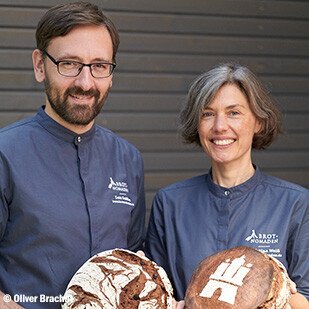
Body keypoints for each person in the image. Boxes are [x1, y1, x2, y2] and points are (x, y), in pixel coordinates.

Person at [0, 2, 146, 308]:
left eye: (99, 66)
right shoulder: (5, 155)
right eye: (69, 64)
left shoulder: (128, 160)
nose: (85, 82)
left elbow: (132, 258)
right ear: (40, 65)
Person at [145, 63, 309, 307]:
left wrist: (282, 293)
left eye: (234, 112)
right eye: (208, 113)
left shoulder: (294, 203)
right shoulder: (170, 203)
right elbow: (157, 296)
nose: (220, 126)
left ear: (258, 122)